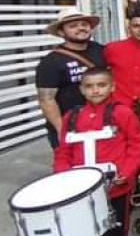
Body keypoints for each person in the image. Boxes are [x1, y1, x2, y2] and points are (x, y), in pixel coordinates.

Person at [53, 68, 140, 236]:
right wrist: (63, 178)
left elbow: (135, 145)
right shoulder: (71, 117)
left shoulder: (122, 113)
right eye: (90, 86)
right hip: (78, 192)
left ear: (112, 87)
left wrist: (125, 173)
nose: (96, 90)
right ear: (82, 89)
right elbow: (63, 152)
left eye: (101, 85)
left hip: (115, 188)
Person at [36, 8, 107, 147]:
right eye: (73, 26)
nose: (80, 28)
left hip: (102, 122)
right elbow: (46, 99)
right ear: (61, 32)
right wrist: (61, 129)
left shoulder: (101, 50)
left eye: (84, 24)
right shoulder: (51, 61)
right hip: (71, 127)